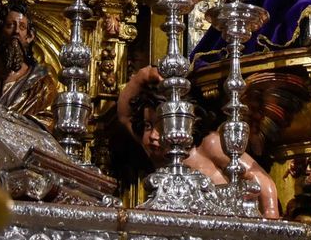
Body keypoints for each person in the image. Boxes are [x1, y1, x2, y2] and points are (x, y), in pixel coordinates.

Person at [117, 66, 281, 218]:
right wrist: (144, 76)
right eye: (147, 125)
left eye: (162, 127)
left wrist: (270, 216)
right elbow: (124, 114)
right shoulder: (155, 151)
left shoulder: (209, 145)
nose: (153, 135)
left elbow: (260, 179)